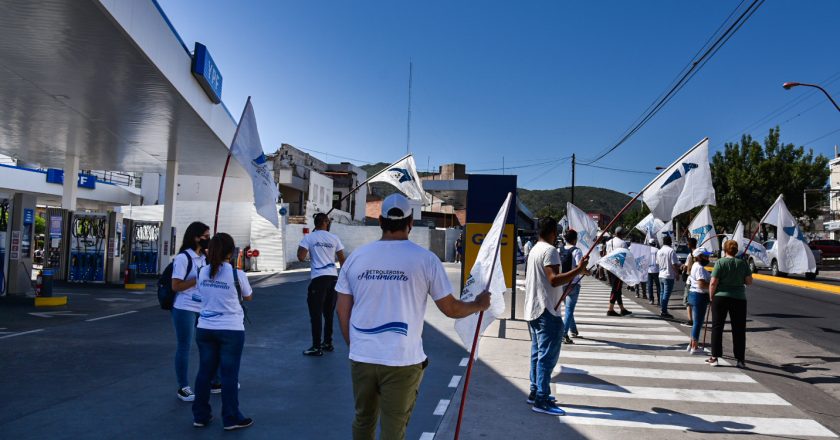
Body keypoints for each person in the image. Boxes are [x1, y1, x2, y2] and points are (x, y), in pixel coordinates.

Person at [335, 194, 490, 440]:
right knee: (393, 429)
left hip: (362, 357)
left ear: (380, 222)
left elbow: (342, 308)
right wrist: (478, 305)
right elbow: (450, 309)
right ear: (410, 222)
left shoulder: (356, 257)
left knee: (363, 420)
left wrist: (354, 345)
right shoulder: (426, 260)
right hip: (402, 361)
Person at [524, 217, 588, 416]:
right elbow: (553, 280)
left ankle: (535, 391)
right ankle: (542, 399)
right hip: (546, 311)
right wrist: (578, 270)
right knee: (546, 357)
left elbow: (546, 281)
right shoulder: (550, 251)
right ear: (553, 232)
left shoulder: (534, 249)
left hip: (532, 309)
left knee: (537, 353)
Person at [192, 233, 254, 431]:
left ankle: (200, 416)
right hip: (231, 329)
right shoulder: (237, 274)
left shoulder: (202, 271)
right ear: (231, 252)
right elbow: (248, 296)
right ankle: (231, 417)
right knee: (229, 375)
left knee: (204, 372)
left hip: (205, 328)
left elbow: (200, 294)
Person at [170, 221, 215, 402]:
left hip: (202, 307)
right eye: (205, 236)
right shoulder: (183, 258)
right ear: (195, 237)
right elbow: (176, 285)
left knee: (208, 344)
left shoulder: (204, 257)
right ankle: (183, 386)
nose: (208, 239)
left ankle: (214, 380)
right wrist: (197, 279)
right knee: (185, 346)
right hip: (185, 308)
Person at [298, 213, 346, 356]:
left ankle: (316, 347)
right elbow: (343, 260)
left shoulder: (309, 237)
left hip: (319, 279)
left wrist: (310, 249)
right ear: (325, 222)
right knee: (328, 313)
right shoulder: (334, 238)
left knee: (316, 314)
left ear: (315, 223)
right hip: (333, 278)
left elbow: (300, 257)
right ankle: (328, 343)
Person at [707, 240, 753, 368]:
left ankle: (715, 357)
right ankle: (740, 359)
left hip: (720, 298)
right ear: (736, 250)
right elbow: (749, 282)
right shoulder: (742, 263)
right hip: (739, 298)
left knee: (717, 327)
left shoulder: (720, 263)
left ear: (725, 250)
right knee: (739, 329)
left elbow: (713, 282)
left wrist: (711, 297)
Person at [560, 229, 586, 344]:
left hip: (562, 282)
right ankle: (563, 334)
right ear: (575, 239)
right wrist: (587, 271)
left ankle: (573, 330)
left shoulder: (559, 249)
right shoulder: (577, 251)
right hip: (573, 283)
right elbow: (580, 269)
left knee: (568, 308)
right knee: (569, 309)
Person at [687, 248, 711, 354]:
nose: (708, 257)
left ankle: (691, 344)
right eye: (705, 255)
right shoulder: (700, 268)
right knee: (698, 323)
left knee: (696, 323)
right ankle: (694, 347)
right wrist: (714, 286)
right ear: (699, 256)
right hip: (699, 295)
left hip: (694, 294)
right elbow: (701, 284)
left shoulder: (695, 266)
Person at [605, 226, 631, 317]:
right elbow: (626, 256)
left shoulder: (609, 242)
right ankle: (610, 309)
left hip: (609, 267)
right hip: (618, 268)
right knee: (615, 289)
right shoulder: (623, 243)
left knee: (617, 289)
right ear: (621, 234)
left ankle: (622, 309)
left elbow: (606, 254)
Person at [656, 235, 681, 319]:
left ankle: (662, 309)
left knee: (662, 293)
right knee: (666, 294)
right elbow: (674, 264)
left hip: (661, 274)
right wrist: (677, 273)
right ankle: (664, 311)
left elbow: (657, 263)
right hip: (668, 275)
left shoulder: (659, 251)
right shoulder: (671, 251)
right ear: (670, 242)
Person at [682, 237, 698, 325]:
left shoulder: (690, 255)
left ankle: (690, 320)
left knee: (687, 301)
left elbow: (686, 266)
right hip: (698, 280)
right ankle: (696, 319)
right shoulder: (700, 254)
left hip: (690, 280)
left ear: (689, 245)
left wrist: (682, 267)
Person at [646, 238, 660, 305]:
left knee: (650, 286)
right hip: (656, 270)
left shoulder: (647, 250)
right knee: (658, 286)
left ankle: (651, 300)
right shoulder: (657, 250)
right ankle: (659, 300)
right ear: (655, 243)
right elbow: (658, 261)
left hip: (649, 270)